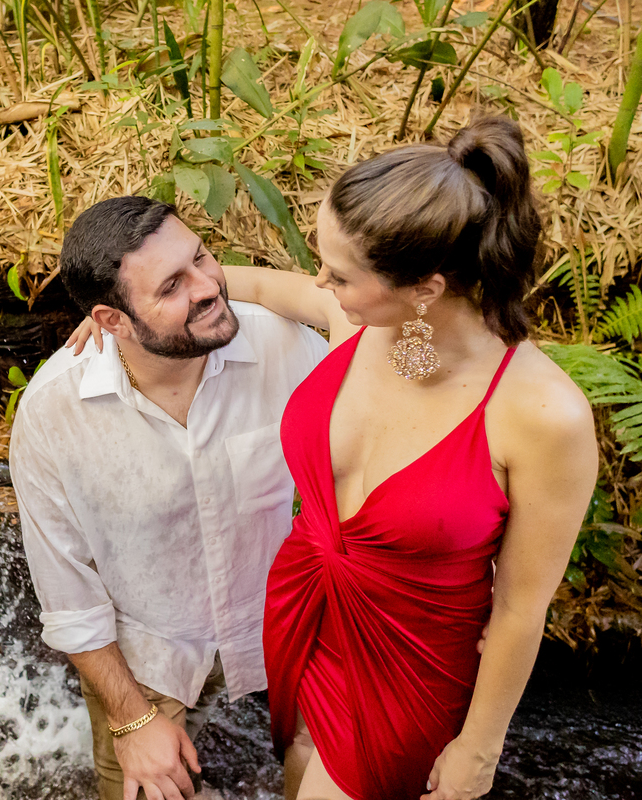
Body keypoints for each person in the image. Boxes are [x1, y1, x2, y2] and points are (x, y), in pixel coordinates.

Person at [223, 116, 598, 800]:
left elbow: (520, 606)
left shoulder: (541, 414)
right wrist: (140, 294)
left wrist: (479, 749)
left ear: (425, 288)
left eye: (339, 274)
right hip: (306, 613)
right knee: (296, 767)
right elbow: (263, 286)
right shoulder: (358, 320)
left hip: (408, 664)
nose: (319, 282)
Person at [8, 196, 344, 800]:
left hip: (276, 621)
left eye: (202, 257)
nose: (209, 287)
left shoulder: (281, 345)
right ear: (111, 320)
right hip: (149, 649)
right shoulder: (53, 414)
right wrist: (131, 720)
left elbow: (383, 434)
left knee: (333, 762)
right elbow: (70, 596)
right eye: (171, 286)